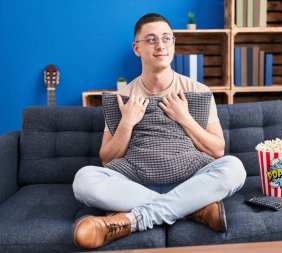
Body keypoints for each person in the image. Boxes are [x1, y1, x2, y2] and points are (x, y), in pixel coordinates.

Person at [72, 13, 246, 249]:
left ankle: (132, 220)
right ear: (137, 48)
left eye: (167, 38)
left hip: (189, 181)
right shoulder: (122, 98)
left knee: (234, 168)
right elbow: (107, 158)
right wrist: (127, 122)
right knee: (83, 180)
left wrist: (185, 118)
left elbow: (217, 150)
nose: (161, 45)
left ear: (174, 43)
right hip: (135, 185)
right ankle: (194, 210)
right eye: (151, 40)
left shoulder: (198, 91)